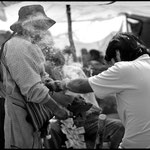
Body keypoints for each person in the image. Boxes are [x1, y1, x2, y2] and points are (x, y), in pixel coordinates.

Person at [49, 32, 150, 148]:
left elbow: (80, 85)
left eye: (112, 63)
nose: (113, 66)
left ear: (117, 53)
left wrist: (60, 84)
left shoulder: (125, 68)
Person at [1, 5, 70, 148]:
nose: (44, 30)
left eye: (44, 25)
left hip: (30, 111)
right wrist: (57, 109)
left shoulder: (30, 45)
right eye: (39, 25)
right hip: (20, 112)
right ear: (26, 26)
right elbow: (32, 89)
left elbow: (41, 75)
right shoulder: (17, 46)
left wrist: (53, 84)